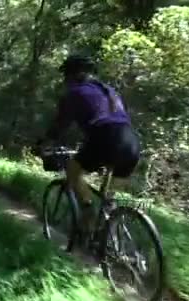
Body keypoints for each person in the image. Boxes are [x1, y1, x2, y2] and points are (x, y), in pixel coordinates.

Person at [39, 54, 141, 230]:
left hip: (105, 136)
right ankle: (111, 233)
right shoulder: (109, 90)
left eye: (66, 75)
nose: (65, 80)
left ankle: (87, 209)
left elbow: (59, 125)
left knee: (72, 169)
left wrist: (44, 144)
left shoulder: (75, 93)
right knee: (109, 200)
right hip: (131, 141)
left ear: (72, 74)